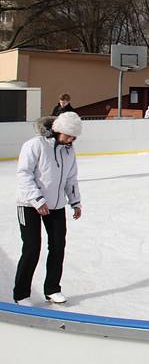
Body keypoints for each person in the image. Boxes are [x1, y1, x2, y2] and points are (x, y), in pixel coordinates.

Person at [14, 112, 83, 306]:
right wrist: (37, 199)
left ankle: (52, 289)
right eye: (69, 135)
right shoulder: (35, 145)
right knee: (32, 247)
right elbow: (24, 174)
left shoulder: (69, 150)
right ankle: (21, 294)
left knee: (58, 246)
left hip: (56, 205)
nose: (72, 140)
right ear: (58, 130)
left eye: (74, 136)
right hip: (28, 203)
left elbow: (71, 178)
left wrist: (75, 202)